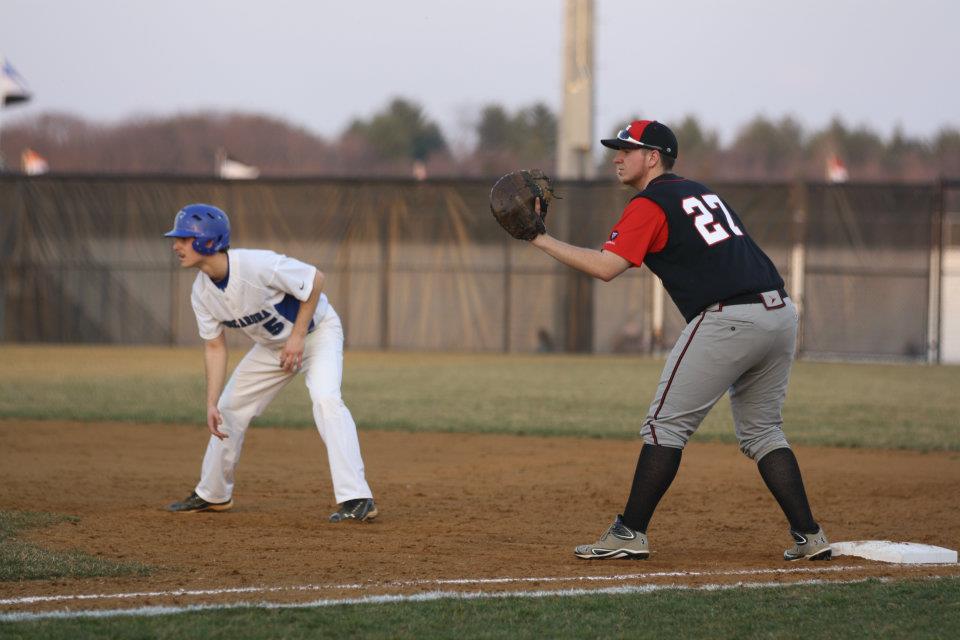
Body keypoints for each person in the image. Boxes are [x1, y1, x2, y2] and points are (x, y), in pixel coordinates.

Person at [529, 120, 829, 561]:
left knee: (663, 427)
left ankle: (630, 532)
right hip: (779, 313)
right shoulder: (701, 192)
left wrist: (539, 237)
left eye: (626, 150)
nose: (616, 157)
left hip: (729, 317)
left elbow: (607, 267)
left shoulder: (650, 202)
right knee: (763, 432)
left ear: (653, 157)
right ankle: (810, 536)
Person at [163, 204, 377, 523]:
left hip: (317, 333)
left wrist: (298, 337)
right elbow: (214, 346)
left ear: (208, 241)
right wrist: (210, 402)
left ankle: (357, 498)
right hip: (272, 347)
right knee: (229, 408)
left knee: (326, 399)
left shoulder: (255, 265)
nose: (176, 245)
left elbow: (315, 280)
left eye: (183, 238)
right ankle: (213, 494)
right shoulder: (202, 293)